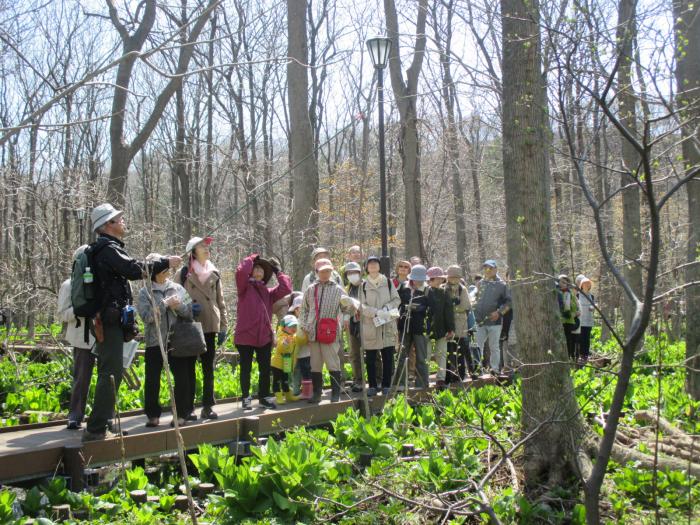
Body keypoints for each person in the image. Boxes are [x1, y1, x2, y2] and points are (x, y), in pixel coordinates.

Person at [83, 203, 181, 442]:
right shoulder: (106, 249)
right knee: (111, 371)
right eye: (119, 219)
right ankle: (96, 428)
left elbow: (129, 268)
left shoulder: (109, 248)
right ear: (108, 225)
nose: (123, 221)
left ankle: (104, 421)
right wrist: (165, 262)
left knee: (113, 370)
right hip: (108, 321)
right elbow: (132, 269)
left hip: (113, 319)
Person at [136, 255, 195, 427]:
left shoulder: (177, 288)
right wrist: (164, 304)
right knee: (153, 379)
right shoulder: (144, 292)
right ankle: (153, 415)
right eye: (163, 270)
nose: (167, 273)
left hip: (177, 340)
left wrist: (179, 307)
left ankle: (181, 414)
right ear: (153, 273)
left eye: (167, 270)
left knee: (182, 377)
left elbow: (190, 312)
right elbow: (146, 317)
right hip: (155, 341)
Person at [174, 237, 228, 420]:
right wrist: (187, 309)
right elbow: (175, 298)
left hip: (211, 324)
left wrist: (223, 326)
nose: (207, 249)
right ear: (193, 251)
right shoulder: (183, 274)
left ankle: (208, 405)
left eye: (207, 246)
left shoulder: (215, 273)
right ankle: (188, 408)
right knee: (189, 368)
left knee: (208, 368)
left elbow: (221, 302)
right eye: (202, 246)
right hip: (190, 326)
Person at [235, 254, 292, 410]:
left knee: (265, 369)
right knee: (246, 368)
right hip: (245, 335)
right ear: (251, 271)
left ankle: (264, 397)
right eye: (256, 268)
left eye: (261, 269)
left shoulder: (268, 292)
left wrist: (278, 271)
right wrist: (251, 258)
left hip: (264, 337)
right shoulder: (244, 287)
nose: (258, 271)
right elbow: (240, 272)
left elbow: (286, 288)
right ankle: (246, 397)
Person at [299, 258, 357, 403]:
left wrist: (349, 308)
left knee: (333, 363)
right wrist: (305, 326)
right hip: (313, 333)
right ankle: (317, 394)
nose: (325, 273)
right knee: (315, 365)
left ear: (332, 272)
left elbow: (347, 309)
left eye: (328, 271)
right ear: (317, 272)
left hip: (331, 332)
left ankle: (335, 394)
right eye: (322, 271)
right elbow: (304, 309)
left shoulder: (338, 289)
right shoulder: (311, 289)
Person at [57, 245, 96, 430]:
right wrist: (80, 310)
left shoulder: (100, 282)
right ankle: (75, 416)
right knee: (81, 378)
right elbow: (63, 314)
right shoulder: (68, 285)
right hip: (82, 339)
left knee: (107, 378)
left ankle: (105, 416)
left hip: (103, 337)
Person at [359, 256, 401, 396]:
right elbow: (361, 305)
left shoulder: (388, 282)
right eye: (369, 264)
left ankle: (386, 385)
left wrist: (386, 309)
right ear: (366, 267)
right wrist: (375, 312)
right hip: (371, 325)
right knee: (370, 358)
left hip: (387, 323)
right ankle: (371, 385)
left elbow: (397, 300)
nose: (372, 266)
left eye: (375, 263)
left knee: (388, 356)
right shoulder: (363, 285)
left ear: (379, 266)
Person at [473, 260, 511, 376]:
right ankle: (477, 369)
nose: (487, 270)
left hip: (495, 322)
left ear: (496, 269)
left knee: (494, 346)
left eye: (490, 268)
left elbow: (509, 302)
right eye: (485, 268)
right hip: (479, 320)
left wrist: (499, 312)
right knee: (477, 346)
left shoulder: (502, 285)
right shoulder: (480, 283)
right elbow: (475, 298)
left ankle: (495, 370)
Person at [396, 265, 431, 389]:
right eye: (415, 279)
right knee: (402, 355)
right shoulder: (403, 287)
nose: (417, 281)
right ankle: (400, 383)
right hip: (405, 326)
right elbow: (397, 303)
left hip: (420, 328)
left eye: (420, 279)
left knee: (421, 357)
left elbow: (431, 310)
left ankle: (422, 383)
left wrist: (420, 308)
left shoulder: (427, 290)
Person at [425, 267, 455, 388]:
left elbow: (448, 312)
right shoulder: (425, 292)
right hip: (426, 329)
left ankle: (440, 379)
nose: (440, 280)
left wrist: (451, 329)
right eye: (438, 277)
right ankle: (424, 377)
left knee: (441, 354)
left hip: (442, 329)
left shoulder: (444, 293)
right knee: (426, 354)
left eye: (441, 278)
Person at [443, 265, 472, 383]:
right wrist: (453, 307)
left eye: (456, 277)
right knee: (448, 351)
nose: (454, 280)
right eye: (451, 277)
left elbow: (466, 306)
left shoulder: (462, 289)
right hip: (447, 325)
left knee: (460, 351)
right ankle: (448, 375)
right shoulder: (443, 288)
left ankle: (461, 374)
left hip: (461, 325)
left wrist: (451, 308)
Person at [343, 262, 365, 392]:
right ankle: (358, 380)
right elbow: (345, 306)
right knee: (354, 353)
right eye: (349, 273)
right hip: (353, 324)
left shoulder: (367, 285)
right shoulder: (347, 289)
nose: (352, 275)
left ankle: (377, 379)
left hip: (367, 323)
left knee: (373, 353)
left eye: (354, 272)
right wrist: (346, 316)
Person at [271, 315, 301, 405]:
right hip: (277, 364)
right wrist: (286, 343)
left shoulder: (292, 336)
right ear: (284, 327)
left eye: (295, 326)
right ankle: (279, 396)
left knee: (285, 380)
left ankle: (288, 395)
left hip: (286, 363)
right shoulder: (282, 336)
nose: (294, 328)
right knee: (277, 380)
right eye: (291, 326)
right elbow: (280, 347)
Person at [287, 295, 312, 399]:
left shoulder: (308, 321)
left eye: (301, 309)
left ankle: (308, 392)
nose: (299, 311)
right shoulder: (294, 321)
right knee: (296, 371)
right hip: (297, 353)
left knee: (307, 372)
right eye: (297, 309)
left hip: (307, 352)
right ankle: (296, 390)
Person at [557, 274, 580, 360]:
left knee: (568, 339)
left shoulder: (571, 294)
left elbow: (576, 307)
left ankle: (569, 357)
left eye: (564, 282)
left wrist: (575, 313)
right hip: (559, 320)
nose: (562, 284)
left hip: (569, 321)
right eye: (561, 282)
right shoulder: (556, 293)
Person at [575, 275, 595, 362]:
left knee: (586, 338)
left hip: (588, 321)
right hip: (579, 321)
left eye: (588, 284)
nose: (587, 285)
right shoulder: (577, 296)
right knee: (579, 338)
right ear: (581, 285)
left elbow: (593, 307)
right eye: (585, 284)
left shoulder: (592, 296)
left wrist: (593, 308)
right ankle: (578, 356)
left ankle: (585, 356)